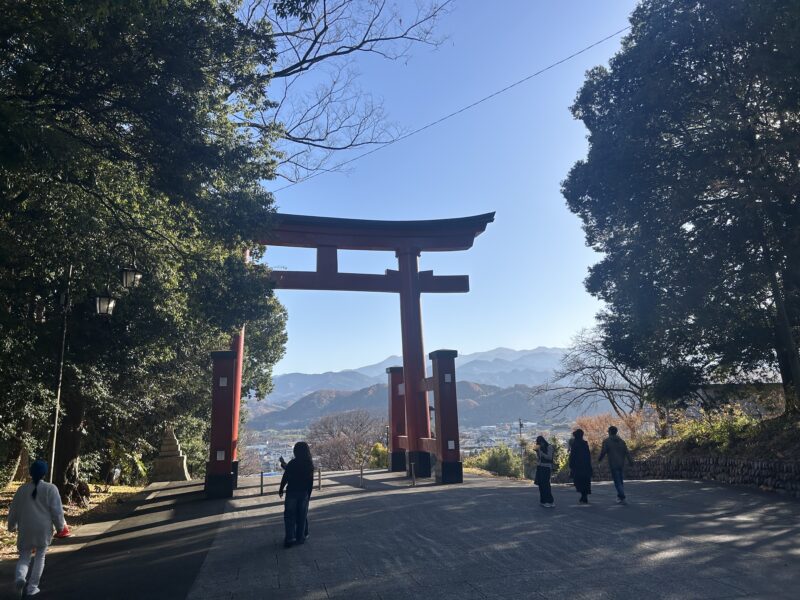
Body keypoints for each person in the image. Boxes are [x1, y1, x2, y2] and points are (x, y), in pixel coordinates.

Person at [7, 460, 70, 597]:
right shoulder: (50, 488)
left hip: (25, 528)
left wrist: (11, 525)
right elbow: (57, 511)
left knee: (24, 557)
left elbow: (14, 510)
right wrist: (60, 527)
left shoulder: (22, 489)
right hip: (43, 529)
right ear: (44, 474)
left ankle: (20, 578)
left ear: (31, 473)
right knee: (40, 557)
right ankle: (32, 587)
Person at [278, 442, 314, 548]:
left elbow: (286, 476)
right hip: (304, 493)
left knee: (289, 516)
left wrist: (281, 489)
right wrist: (308, 495)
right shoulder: (309, 465)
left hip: (292, 492)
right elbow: (310, 483)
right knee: (302, 516)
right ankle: (301, 537)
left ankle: (290, 538)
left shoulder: (292, 463)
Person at [598, 425, 634, 505]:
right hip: (621, 463)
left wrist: (599, 459)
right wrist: (631, 461)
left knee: (617, 481)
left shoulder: (607, 441)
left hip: (613, 463)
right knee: (620, 480)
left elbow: (603, 452)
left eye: (608, 431)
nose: (608, 433)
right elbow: (627, 452)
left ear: (610, 432)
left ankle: (622, 495)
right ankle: (620, 496)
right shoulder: (622, 441)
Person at [568, 429, 593, 504]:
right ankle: (584, 496)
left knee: (578, 481)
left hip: (577, 466)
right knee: (585, 481)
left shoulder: (575, 444)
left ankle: (583, 495)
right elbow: (588, 455)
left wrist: (571, 465)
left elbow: (572, 456)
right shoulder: (585, 443)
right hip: (585, 465)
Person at [533, 436, 555, 507]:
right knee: (541, 484)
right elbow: (539, 458)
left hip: (546, 467)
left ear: (543, 442)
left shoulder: (549, 447)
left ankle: (550, 501)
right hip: (540, 466)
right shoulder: (540, 448)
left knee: (546, 484)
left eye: (541, 443)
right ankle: (543, 501)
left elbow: (549, 457)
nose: (540, 444)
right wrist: (537, 452)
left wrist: (541, 453)